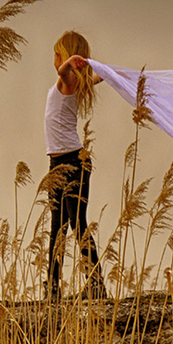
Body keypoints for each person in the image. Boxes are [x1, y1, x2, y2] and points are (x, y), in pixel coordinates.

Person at [44, 31, 107, 300]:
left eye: (58, 52)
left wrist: (72, 61)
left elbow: (62, 69)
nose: (55, 59)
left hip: (73, 162)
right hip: (57, 163)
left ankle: (95, 285)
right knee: (57, 227)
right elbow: (96, 78)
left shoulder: (66, 80)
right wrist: (98, 70)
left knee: (76, 223)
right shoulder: (75, 83)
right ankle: (52, 289)